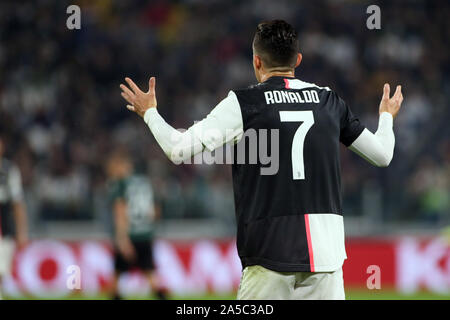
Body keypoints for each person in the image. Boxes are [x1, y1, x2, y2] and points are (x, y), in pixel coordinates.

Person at [119, 20, 403, 300]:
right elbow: (382, 154)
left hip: (269, 253)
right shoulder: (329, 102)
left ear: (256, 62)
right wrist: (387, 116)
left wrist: (150, 113)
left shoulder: (244, 103)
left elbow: (178, 149)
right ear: (298, 60)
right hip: (326, 257)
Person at [106, 149, 166, 299]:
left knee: (116, 278)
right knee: (151, 276)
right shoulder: (145, 182)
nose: (111, 171)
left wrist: (122, 239)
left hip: (129, 234)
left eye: (113, 167)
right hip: (145, 235)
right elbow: (156, 212)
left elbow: (120, 212)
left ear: (122, 166)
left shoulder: (121, 185)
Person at [0, 133, 28, 300]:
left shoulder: (8, 170)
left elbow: (17, 203)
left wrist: (21, 231)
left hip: (3, 227)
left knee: (1, 270)